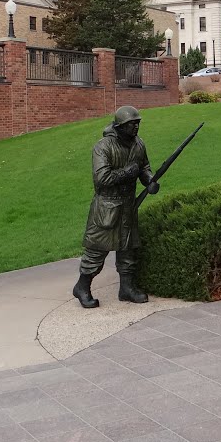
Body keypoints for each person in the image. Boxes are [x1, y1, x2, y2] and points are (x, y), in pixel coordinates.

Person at [73, 106, 159, 308]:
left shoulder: (139, 144)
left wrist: (149, 181)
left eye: (138, 123)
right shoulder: (103, 147)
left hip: (128, 205)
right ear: (120, 126)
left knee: (128, 249)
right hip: (107, 207)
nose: (136, 127)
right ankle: (82, 287)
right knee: (96, 252)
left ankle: (127, 289)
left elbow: (144, 167)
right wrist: (128, 172)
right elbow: (102, 179)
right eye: (131, 124)